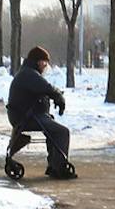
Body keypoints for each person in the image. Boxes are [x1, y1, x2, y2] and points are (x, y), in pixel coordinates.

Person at [5, 45, 74, 179]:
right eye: (44, 62)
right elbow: (47, 88)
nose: (45, 66)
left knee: (53, 128)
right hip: (28, 117)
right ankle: (59, 167)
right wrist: (58, 97)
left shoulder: (27, 72)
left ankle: (54, 165)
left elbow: (43, 89)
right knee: (61, 132)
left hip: (25, 115)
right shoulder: (29, 74)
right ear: (38, 61)